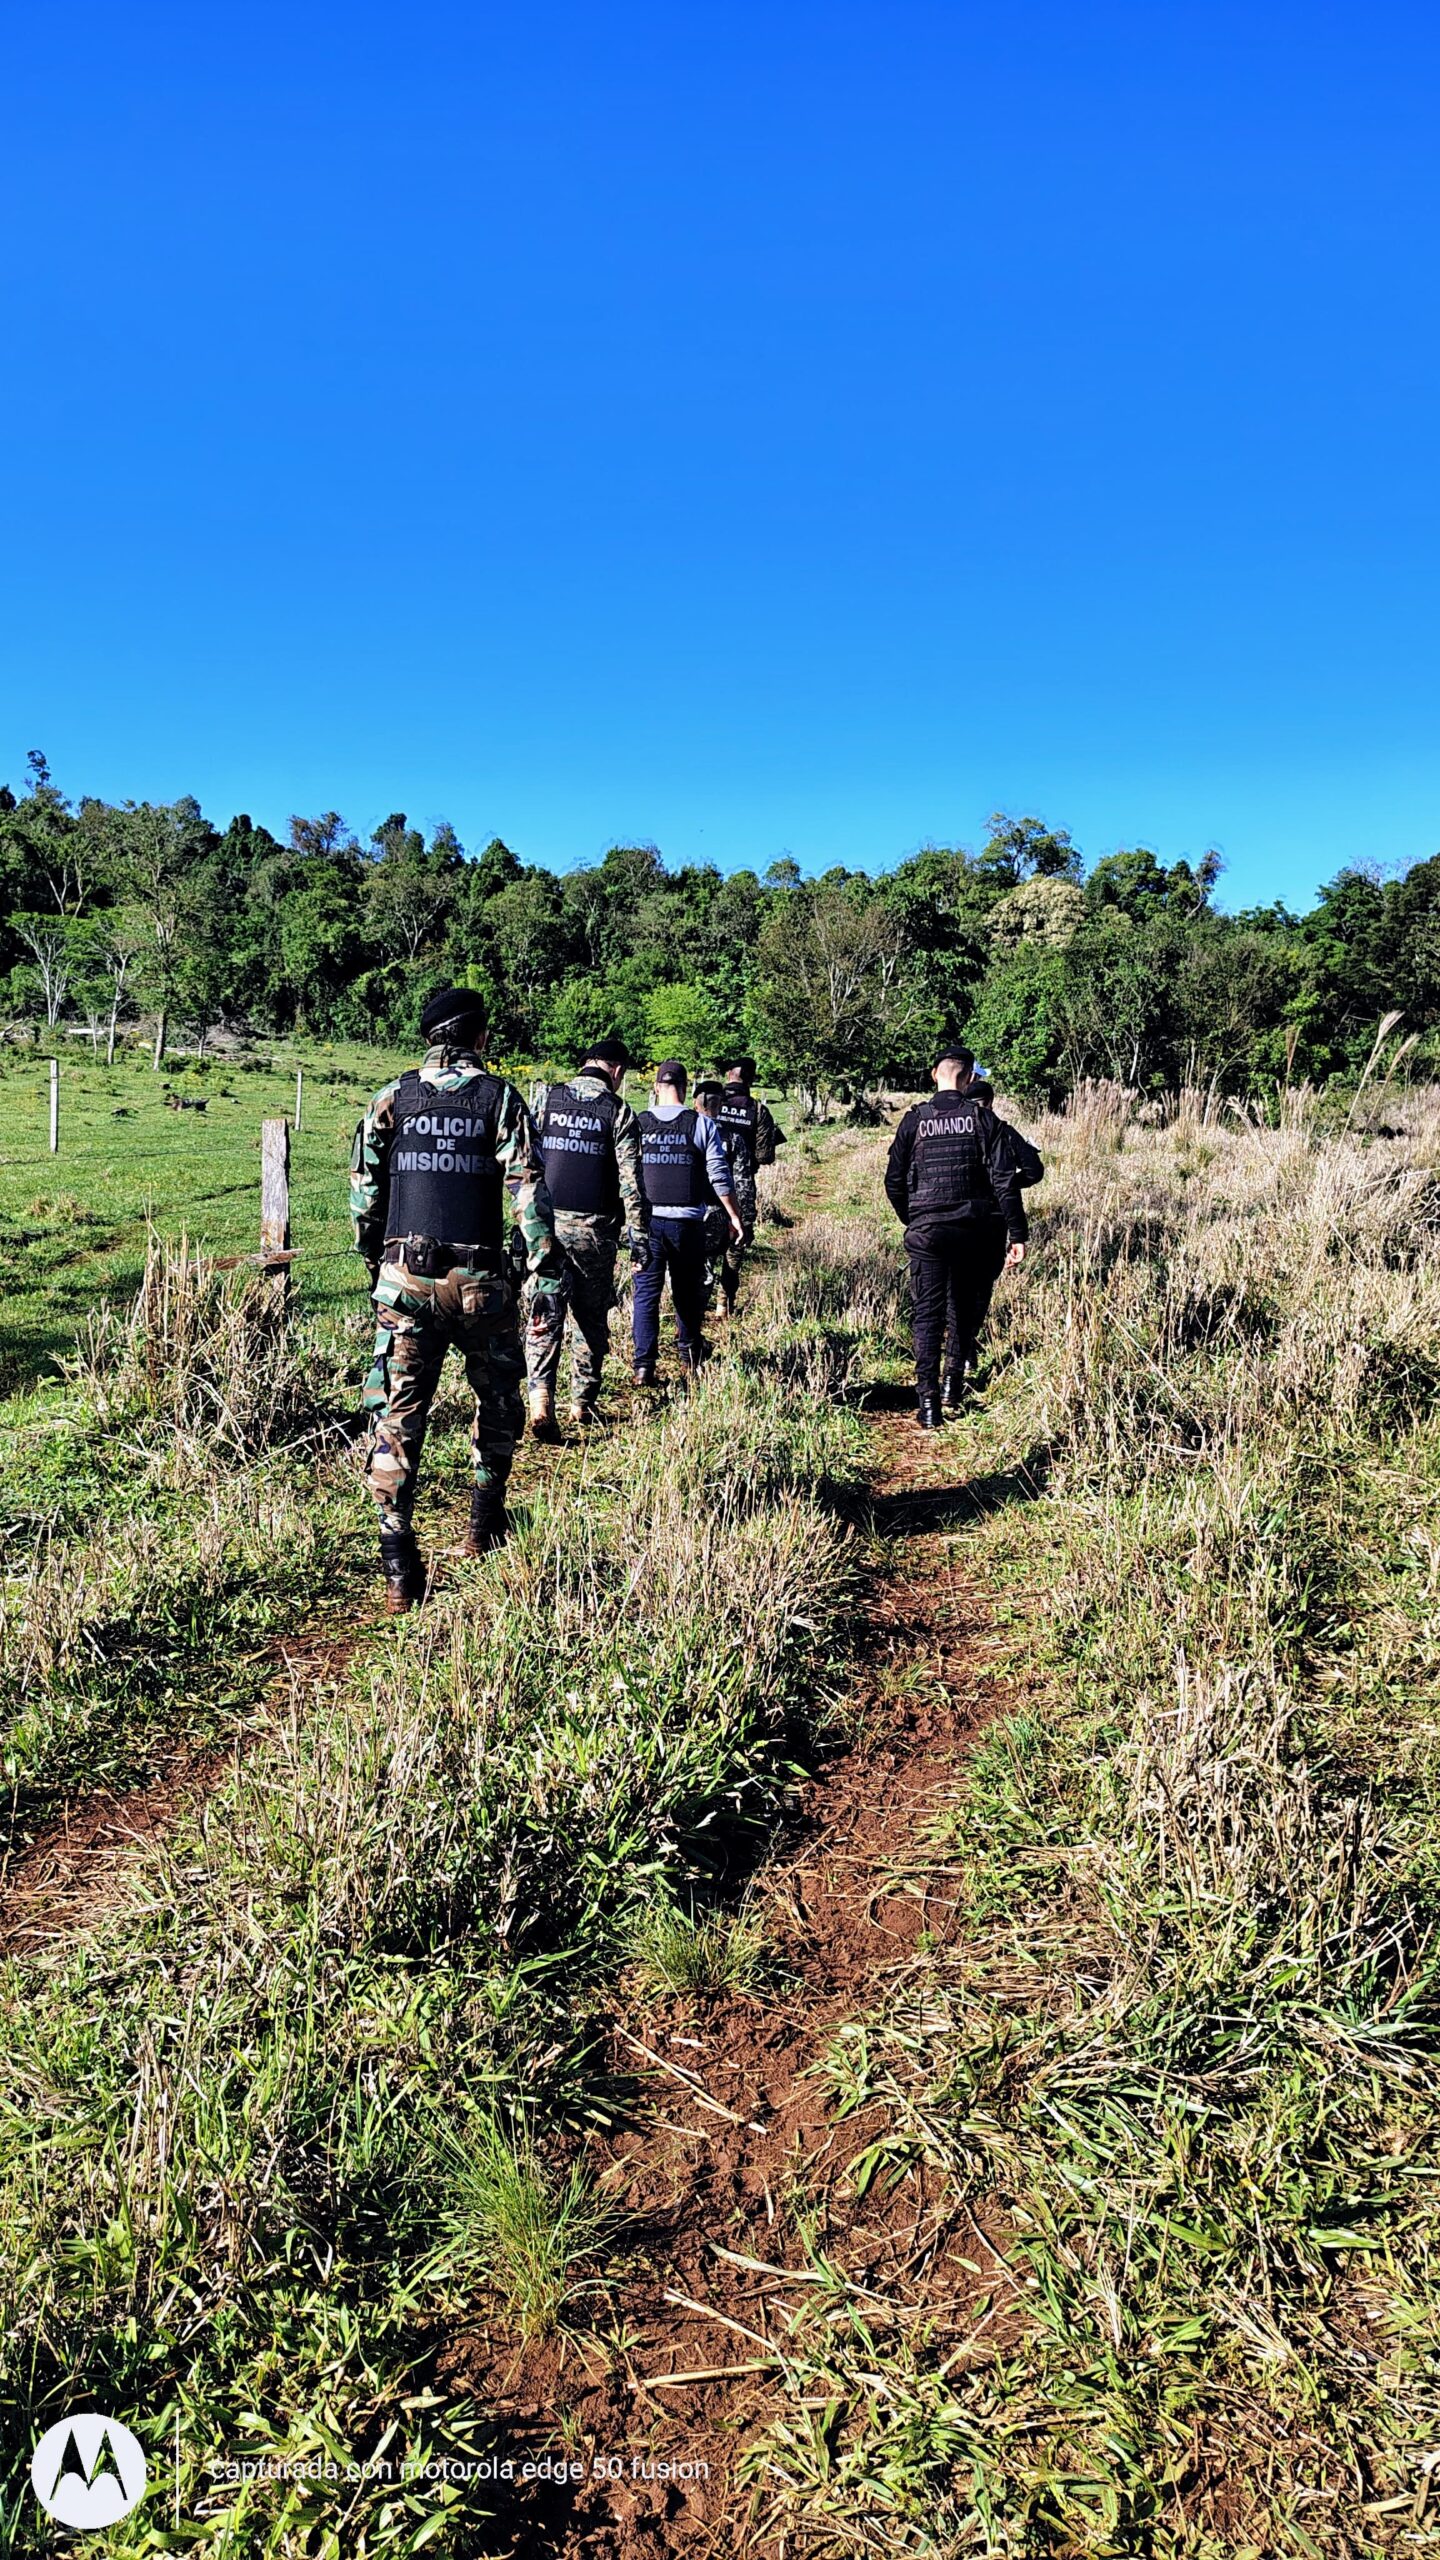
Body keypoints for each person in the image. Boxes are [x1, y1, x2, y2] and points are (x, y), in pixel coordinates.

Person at [350, 984, 564, 1611]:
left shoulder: (391, 1098)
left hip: (404, 1281)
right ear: (477, 1036)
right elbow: (529, 1193)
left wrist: (379, 1267)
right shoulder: (500, 1098)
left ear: (429, 1036)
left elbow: (364, 1200)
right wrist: (545, 1272)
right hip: (481, 1285)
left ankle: (396, 1561)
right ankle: (482, 1520)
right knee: (499, 1398)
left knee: (398, 1415)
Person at [883, 1044, 1027, 1430]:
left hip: (928, 1232)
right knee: (962, 1310)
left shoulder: (914, 1121)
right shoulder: (984, 1122)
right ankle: (953, 1384)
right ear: (969, 1078)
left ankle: (928, 1404)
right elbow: (1004, 1182)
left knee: (927, 1317)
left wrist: (912, 1219)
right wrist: (1017, 1232)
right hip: (975, 1231)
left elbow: (894, 1180)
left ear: (935, 1075)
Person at [526, 1038, 651, 1437]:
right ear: (615, 1070)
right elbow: (632, 1184)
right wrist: (640, 1238)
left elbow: (525, 1165)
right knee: (589, 1318)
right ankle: (582, 1402)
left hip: (544, 1227)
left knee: (544, 1312)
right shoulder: (617, 1111)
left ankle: (540, 1398)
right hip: (593, 1232)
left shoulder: (548, 1099)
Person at [633, 1062, 744, 1385]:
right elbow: (720, 1177)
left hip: (647, 1224)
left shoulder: (639, 1124)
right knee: (687, 1292)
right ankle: (689, 1356)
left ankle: (643, 1366)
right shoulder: (701, 1124)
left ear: (655, 1087)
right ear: (685, 1087)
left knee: (645, 1295)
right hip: (688, 1224)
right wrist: (734, 1216)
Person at [940, 1076, 1044, 1401]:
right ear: (991, 1102)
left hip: (952, 1220)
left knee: (954, 1290)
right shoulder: (1003, 1130)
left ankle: (958, 1355)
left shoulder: (949, 1132)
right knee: (981, 1289)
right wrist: (1007, 1186)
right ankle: (967, 1347)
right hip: (993, 1221)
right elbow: (1034, 1170)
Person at [712, 1054, 783, 1314]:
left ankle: (697, 1304)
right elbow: (765, 1157)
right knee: (735, 1247)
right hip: (740, 1187)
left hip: (706, 1189)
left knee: (704, 1248)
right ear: (751, 1079)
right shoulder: (759, 1111)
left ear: (728, 1074)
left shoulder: (708, 1101)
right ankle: (724, 1302)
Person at [693, 1080, 736, 1312]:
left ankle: (685, 1314)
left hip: (685, 1207)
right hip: (717, 1209)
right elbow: (739, 1180)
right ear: (720, 1106)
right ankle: (697, 1313)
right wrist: (741, 1216)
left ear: (695, 1103)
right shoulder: (732, 1136)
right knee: (707, 1265)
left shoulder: (684, 1130)